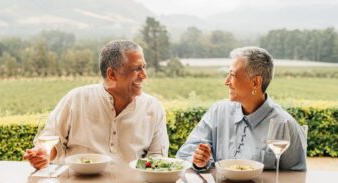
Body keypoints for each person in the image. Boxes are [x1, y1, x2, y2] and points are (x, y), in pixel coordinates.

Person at [24, 40, 169, 169]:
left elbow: (157, 159)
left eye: (144, 67)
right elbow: (52, 142)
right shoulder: (76, 98)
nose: (144, 75)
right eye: (137, 68)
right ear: (112, 74)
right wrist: (44, 154)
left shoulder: (153, 107)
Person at [176, 46, 307, 171]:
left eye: (232, 75)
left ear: (255, 82)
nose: (226, 81)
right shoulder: (217, 111)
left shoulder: (286, 124)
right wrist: (199, 161)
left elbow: (296, 176)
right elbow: (185, 153)